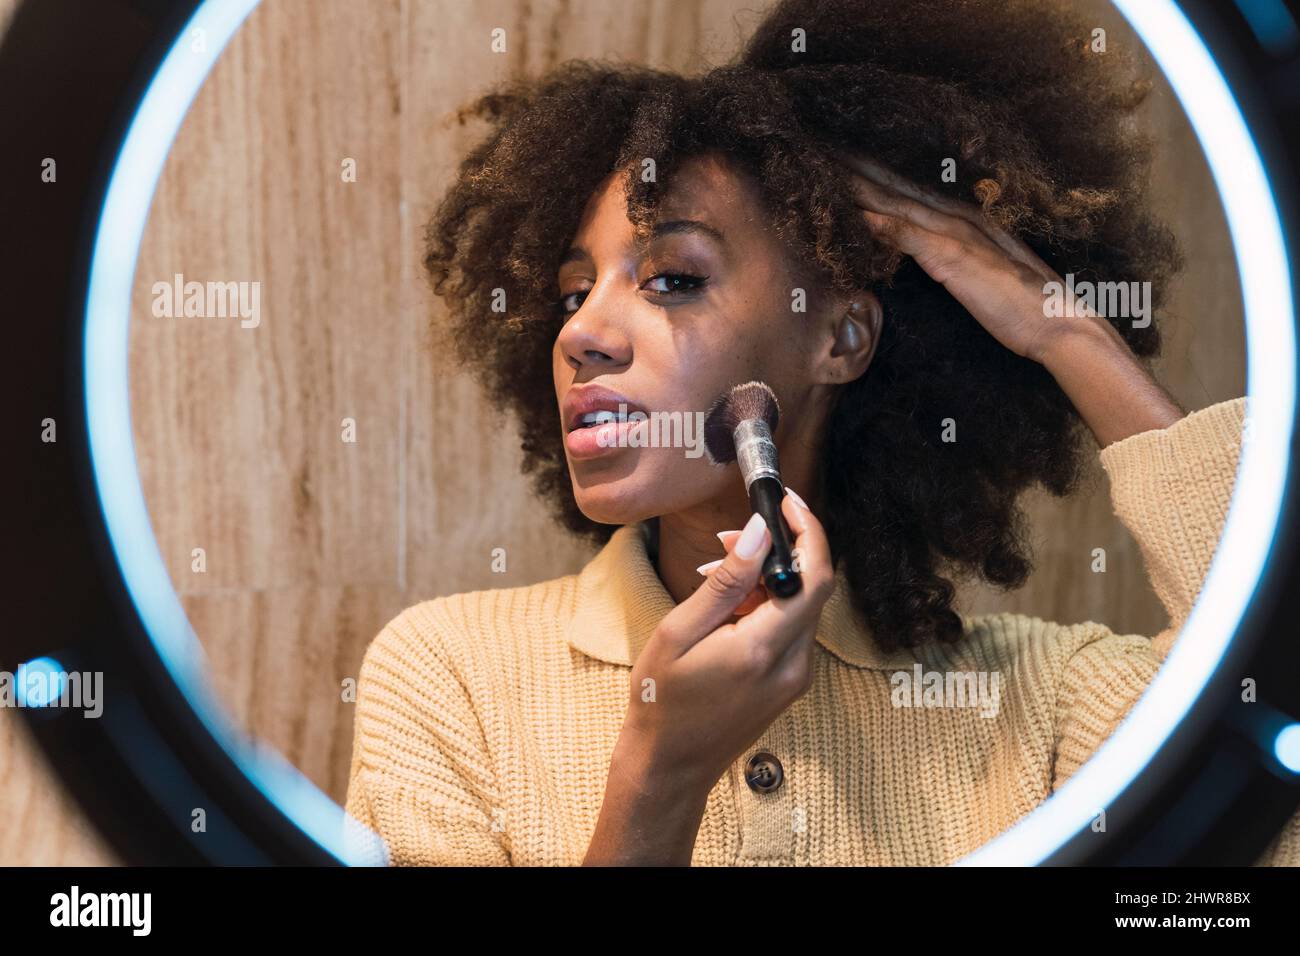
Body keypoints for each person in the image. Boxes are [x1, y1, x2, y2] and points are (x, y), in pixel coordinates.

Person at [343, 0, 1298, 865]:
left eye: (674, 278)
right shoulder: (447, 677)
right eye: (570, 292)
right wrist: (660, 779)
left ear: (839, 338)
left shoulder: (1037, 705)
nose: (582, 334)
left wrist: (1059, 326)